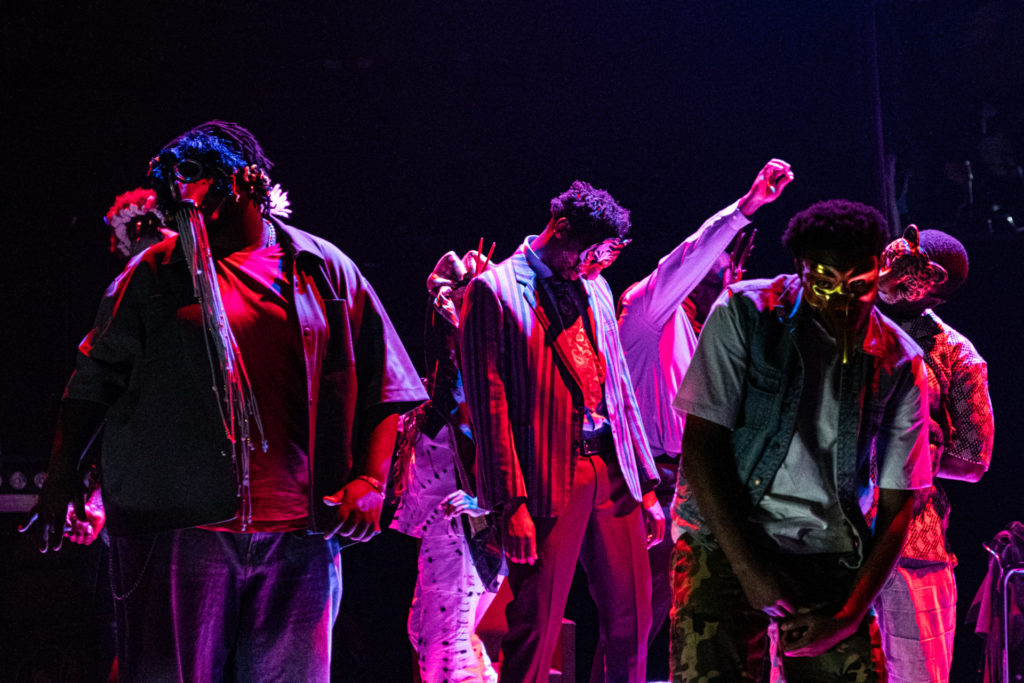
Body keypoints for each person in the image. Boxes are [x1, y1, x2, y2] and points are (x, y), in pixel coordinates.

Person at [22, 120, 427, 682]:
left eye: (196, 175)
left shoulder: (322, 267)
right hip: (181, 535)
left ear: (246, 179)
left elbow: (390, 385)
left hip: (299, 536)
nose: (181, 192)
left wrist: (371, 481)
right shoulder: (153, 274)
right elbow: (91, 383)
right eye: (171, 182)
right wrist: (63, 476)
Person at [669, 199, 932, 681]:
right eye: (824, 284)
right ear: (800, 269)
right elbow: (701, 446)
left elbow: (900, 505)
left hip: (827, 547)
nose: (840, 301)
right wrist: (749, 569)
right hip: (724, 536)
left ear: (879, 271)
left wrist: (848, 616)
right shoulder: (745, 312)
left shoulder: (899, 360)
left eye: (858, 286)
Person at [460, 180, 664, 683]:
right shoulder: (494, 290)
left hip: (610, 468)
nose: (594, 267)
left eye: (605, 258)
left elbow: (619, 385)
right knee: (536, 624)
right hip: (546, 475)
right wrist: (511, 504)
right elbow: (489, 407)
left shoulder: (596, 286)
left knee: (633, 620)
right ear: (561, 228)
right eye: (590, 254)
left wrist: (644, 482)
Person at [617, 158, 793, 649]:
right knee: (638, 620)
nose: (729, 277)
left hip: (699, 481)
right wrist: (745, 209)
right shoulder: (648, 313)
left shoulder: (716, 330)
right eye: (717, 274)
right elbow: (689, 257)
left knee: (702, 614)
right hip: (653, 481)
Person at [873, 225, 994, 683]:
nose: (900, 281)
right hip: (828, 539)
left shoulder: (956, 353)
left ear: (935, 293)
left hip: (912, 548)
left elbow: (974, 461)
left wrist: (906, 448)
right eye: (896, 268)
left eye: (914, 277)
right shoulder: (844, 321)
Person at [391, 247, 502, 683]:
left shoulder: (482, 387)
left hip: (464, 527)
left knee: (446, 649)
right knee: (429, 635)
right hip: (451, 523)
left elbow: (512, 447)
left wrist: (485, 500)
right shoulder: (448, 392)